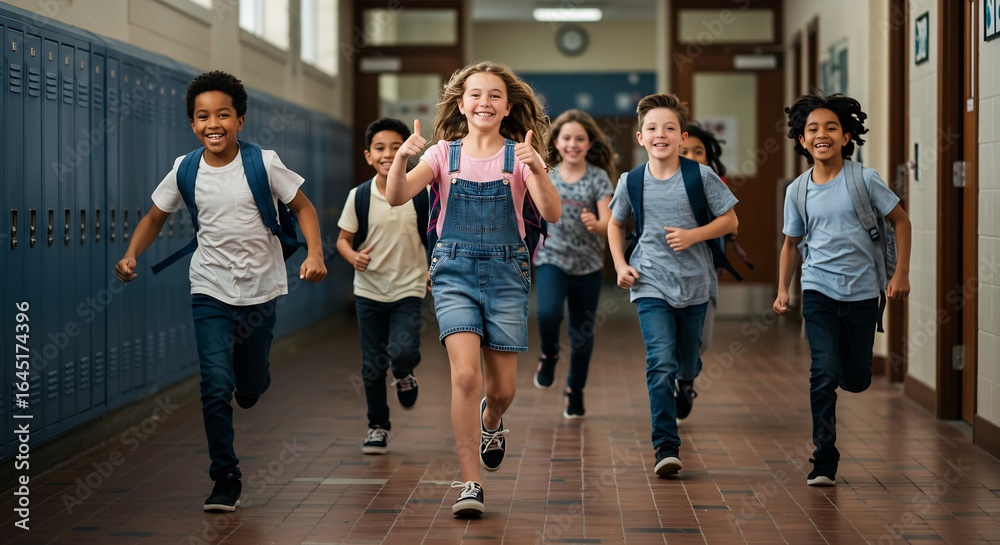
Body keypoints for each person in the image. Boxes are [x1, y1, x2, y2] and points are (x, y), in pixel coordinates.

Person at [114, 71, 327, 512]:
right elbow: (155, 217)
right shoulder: (184, 168)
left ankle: (253, 382)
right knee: (214, 383)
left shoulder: (263, 162)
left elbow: (302, 207)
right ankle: (225, 478)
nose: (214, 123)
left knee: (247, 384)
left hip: (261, 288)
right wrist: (132, 253)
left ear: (240, 120)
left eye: (223, 114)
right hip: (208, 287)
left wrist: (316, 255)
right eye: (203, 116)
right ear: (193, 124)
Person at [385, 61, 560, 517]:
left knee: (502, 391)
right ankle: (469, 482)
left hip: (507, 275)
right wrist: (403, 157)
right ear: (461, 105)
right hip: (454, 272)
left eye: (495, 96)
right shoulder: (444, 154)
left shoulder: (518, 157)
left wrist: (538, 168)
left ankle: (492, 420)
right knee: (465, 376)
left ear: (507, 107)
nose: (485, 102)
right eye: (476, 95)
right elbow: (397, 196)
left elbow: (552, 213)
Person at [773, 94, 911, 487]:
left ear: (847, 136)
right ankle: (824, 457)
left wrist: (900, 274)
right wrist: (785, 289)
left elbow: (902, 222)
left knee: (855, 378)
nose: (822, 135)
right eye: (812, 129)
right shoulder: (798, 190)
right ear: (801, 140)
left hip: (864, 292)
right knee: (822, 371)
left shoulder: (864, 180)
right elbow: (791, 244)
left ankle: (853, 375)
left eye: (831, 128)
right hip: (817, 290)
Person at [606, 93, 738, 477]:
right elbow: (616, 223)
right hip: (650, 282)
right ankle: (666, 444)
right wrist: (620, 264)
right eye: (652, 128)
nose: (660, 134)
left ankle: (688, 379)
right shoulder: (631, 181)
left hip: (696, 284)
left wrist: (695, 235)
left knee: (689, 356)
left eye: (669, 128)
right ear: (640, 137)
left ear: (682, 137)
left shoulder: (701, 176)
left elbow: (730, 222)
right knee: (659, 361)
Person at [336, 117, 428, 455]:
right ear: (368, 155)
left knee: (403, 352)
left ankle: (404, 374)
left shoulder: (421, 193)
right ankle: (377, 426)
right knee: (372, 363)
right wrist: (352, 257)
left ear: (409, 151)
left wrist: (433, 267)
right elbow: (343, 240)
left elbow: (435, 235)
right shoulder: (358, 196)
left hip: (409, 287)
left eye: (395, 147)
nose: (388, 154)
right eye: (380, 148)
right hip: (369, 290)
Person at [531, 109, 615, 419]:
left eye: (580, 139)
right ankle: (549, 352)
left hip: (588, 265)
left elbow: (610, 223)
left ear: (590, 144)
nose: (573, 144)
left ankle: (574, 391)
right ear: (556, 141)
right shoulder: (546, 172)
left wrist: (597, 224)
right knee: (548, 312)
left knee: (582, 333)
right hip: (551, 258)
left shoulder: (598, 177)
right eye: (567, 138)